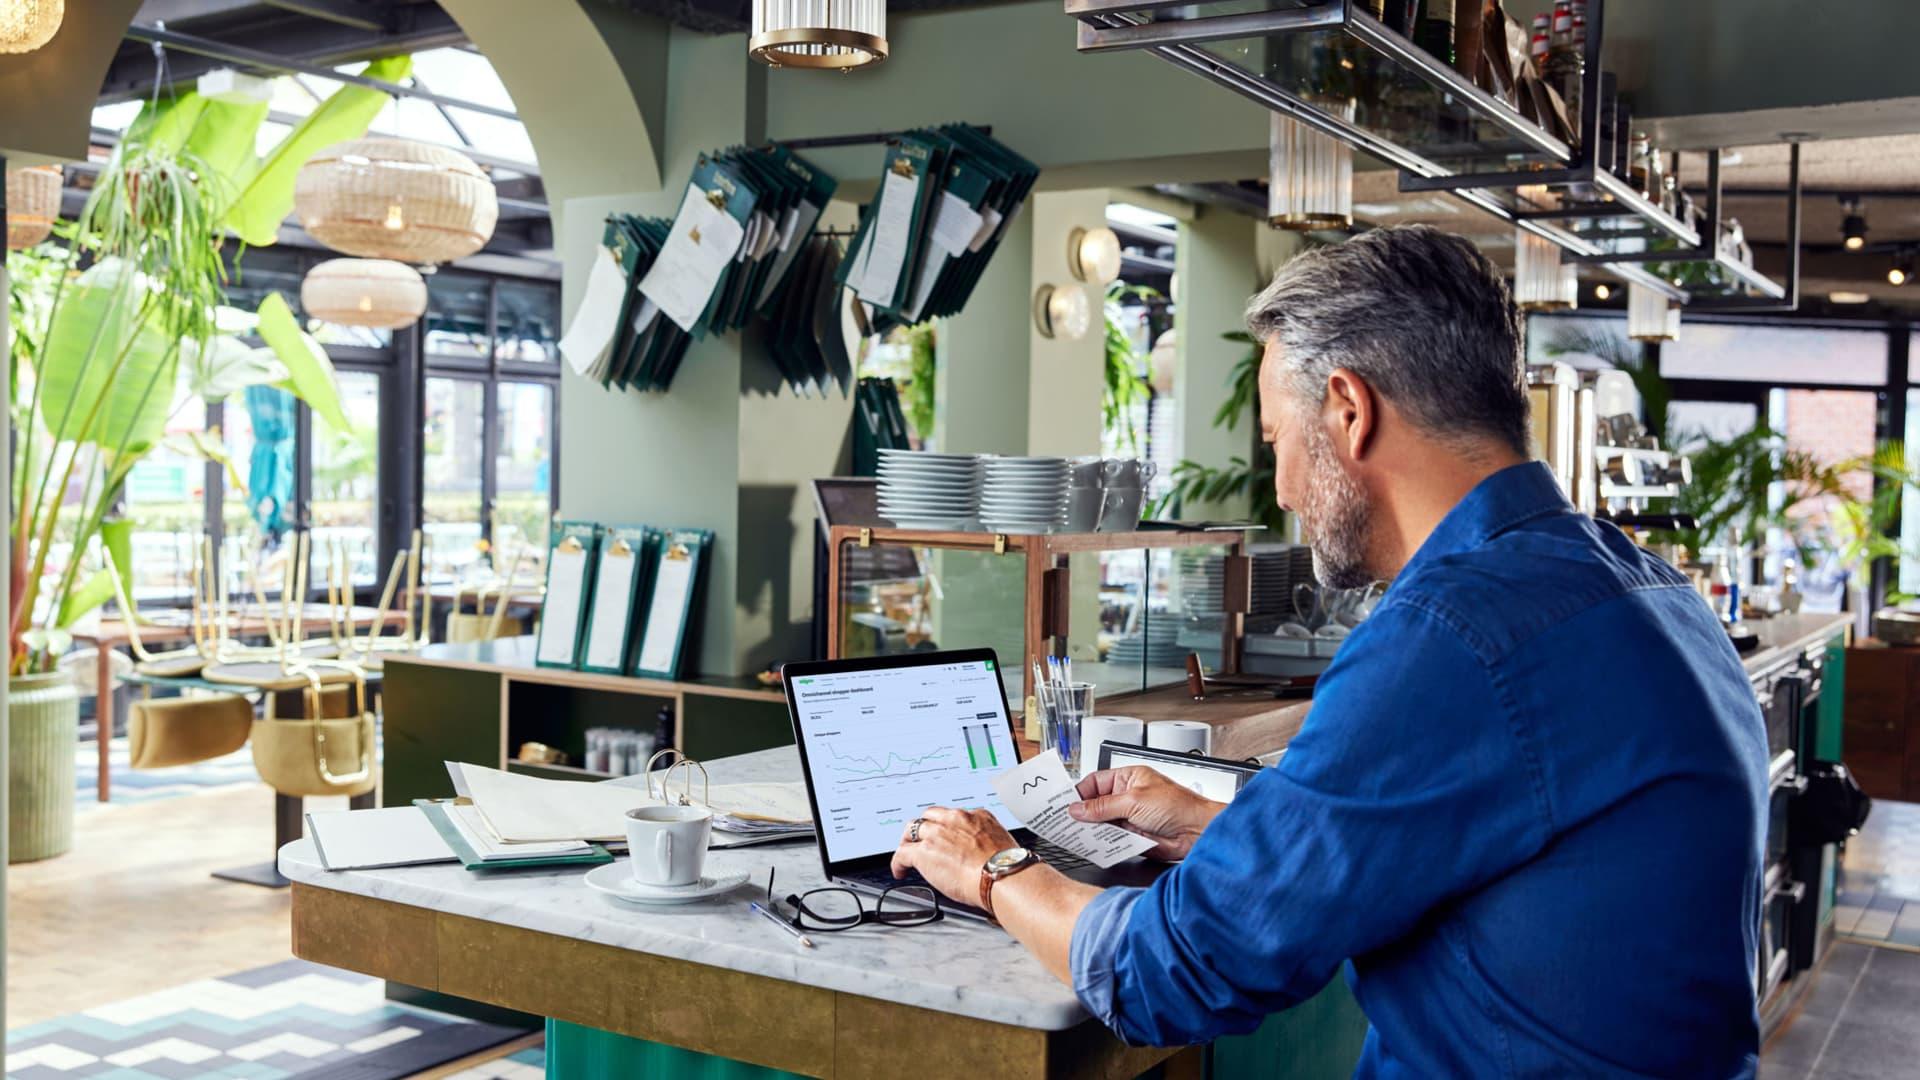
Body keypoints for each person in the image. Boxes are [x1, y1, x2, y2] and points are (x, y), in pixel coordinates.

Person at [891, 225, 1769, 1077]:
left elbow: (1173, 972)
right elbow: (1480, 846)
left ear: (1348, 411)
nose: (1278, 487)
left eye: (1276, 437)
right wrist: (1215, 830)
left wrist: (993, 867)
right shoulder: (1647, 587)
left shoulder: (1451, 637)